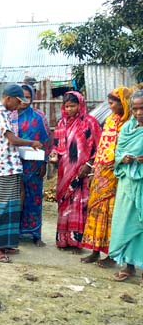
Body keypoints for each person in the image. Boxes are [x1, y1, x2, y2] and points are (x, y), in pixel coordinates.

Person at [0, 84, 43, 263]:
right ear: (8, 98)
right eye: (18, 101)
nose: (19, 105)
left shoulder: (5, 113)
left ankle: (2, 243)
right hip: (2, 168)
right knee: (0, 206)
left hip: (8, 166)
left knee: (9, 207)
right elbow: (13, 140)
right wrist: (32, 143)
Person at [81, 87, 132, 266]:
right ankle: (95, 250)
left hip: (116, 173)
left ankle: (111, 255)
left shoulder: (129, 123)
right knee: (95, 210)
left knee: (111, 214)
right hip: (101, 170)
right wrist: (94, 168)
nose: (109, 107)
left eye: (112, 103)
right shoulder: (110, 120)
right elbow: (102, 146)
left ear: (123, 103)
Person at [50, 91, 101, 254]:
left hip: (82, 171)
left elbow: (99, 146)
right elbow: (57, 146)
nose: (70, 109)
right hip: (65, 171)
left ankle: (77, 241)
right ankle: (64, 240)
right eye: (67, 106)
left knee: (80, 204)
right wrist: (54, 157)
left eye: (73, 106)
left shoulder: (90, 122)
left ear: (80, 105)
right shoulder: (61, 123)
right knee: (64, 204)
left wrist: (89, 164)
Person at [109, 91, 143, 283]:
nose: (138, 113)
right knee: (125, 222)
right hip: (127, 182)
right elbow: (117, 153)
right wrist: (124, 158)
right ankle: (128, 266)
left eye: (142, 108)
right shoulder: (127, 128)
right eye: (135, 109)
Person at [13, 84, 50, 247]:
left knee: (34, 198)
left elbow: (47, 140)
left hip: (34, 165)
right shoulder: (9, 116)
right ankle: (14, 232)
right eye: (21, 96)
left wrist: (45, 162)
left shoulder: (39, 116)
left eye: (28, 97)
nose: (24, 100)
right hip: (13, 163)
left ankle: (35, 233)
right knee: (14, 198)